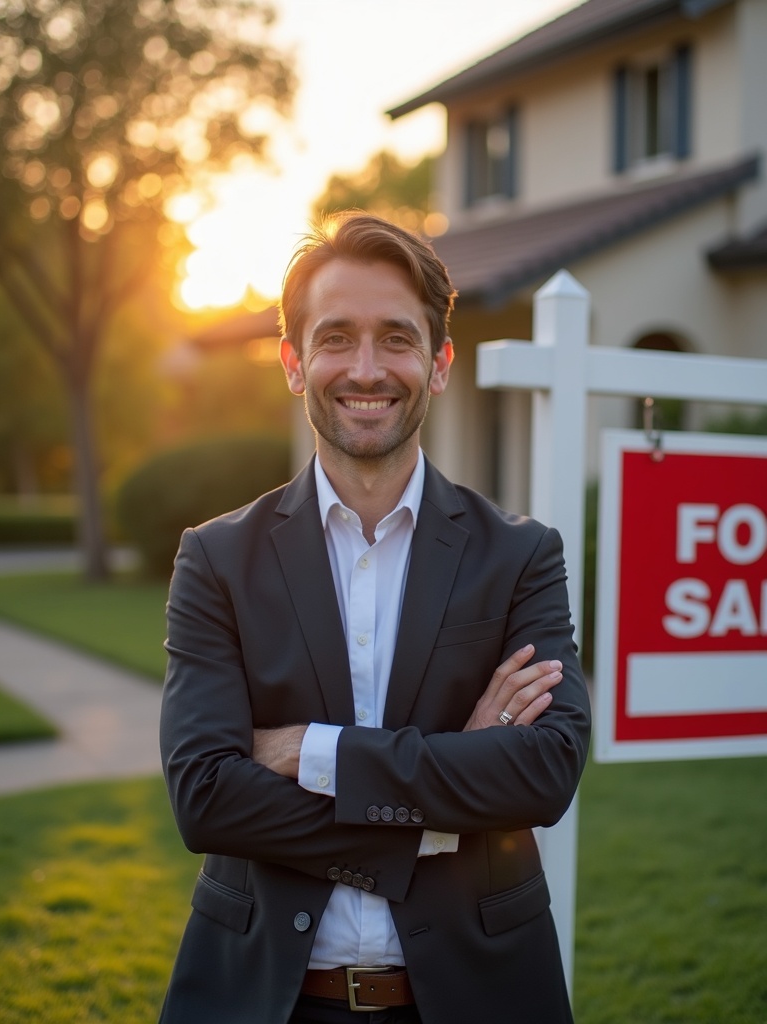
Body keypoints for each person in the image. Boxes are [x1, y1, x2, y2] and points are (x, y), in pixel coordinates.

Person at [159, 212, 591, 1024]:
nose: (366, 368)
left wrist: (312, 752)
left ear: (438, 364)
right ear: (294, 362)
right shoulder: (216, 560)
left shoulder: (521, 555)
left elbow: (546, 769)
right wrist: (446, 792)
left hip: (475, 995)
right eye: (335, 338)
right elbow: (207, 797)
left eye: (396, 338)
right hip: (264, 996)